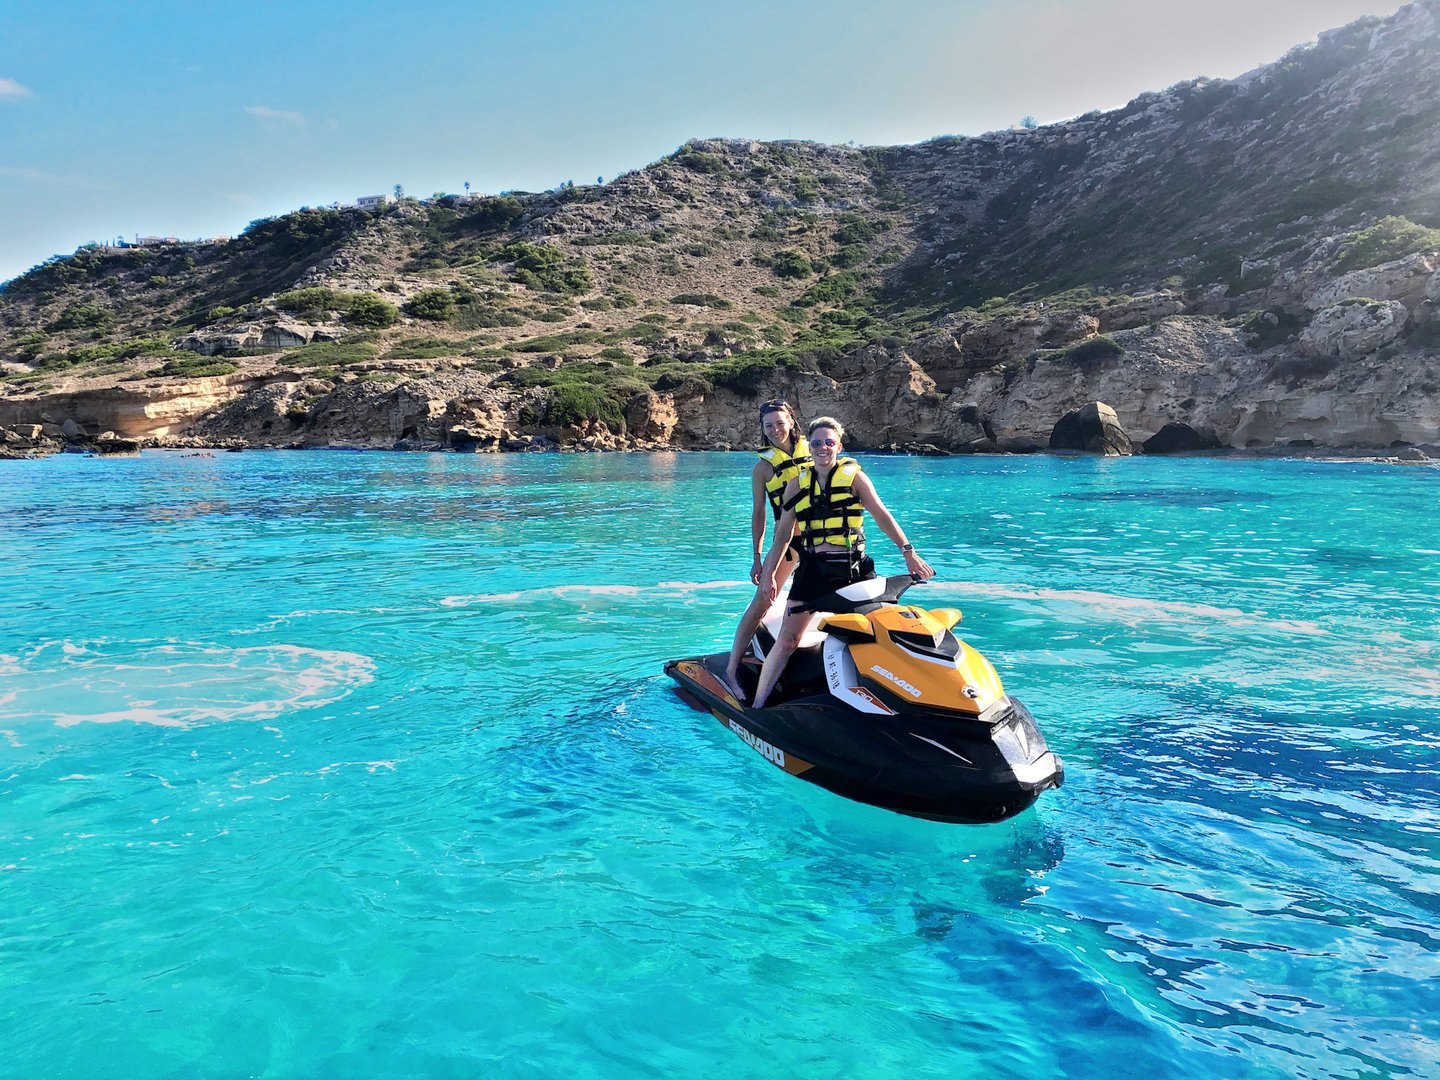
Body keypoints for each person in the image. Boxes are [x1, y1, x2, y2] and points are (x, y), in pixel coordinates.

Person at [750, 417, 934, 709]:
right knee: (787, 639)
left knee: (881, 632)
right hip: (813, 571)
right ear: (808, 447)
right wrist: (768, 574)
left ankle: (907, 696)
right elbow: (783, 536)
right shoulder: (797, 484)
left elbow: (882, 515)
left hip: (854, 570)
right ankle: (758, 706)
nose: (822, 448)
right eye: (816, 443)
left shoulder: (855, 478)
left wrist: (908, 551)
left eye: (828, 442)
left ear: (839, 445)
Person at [723, 399, 811, 697]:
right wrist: (758, 557)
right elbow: (759, 512)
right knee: (763, 601)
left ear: (792, 422)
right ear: (762, 430)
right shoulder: (762, 468)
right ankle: (731, 671)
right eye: (768, 425)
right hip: (786, 543)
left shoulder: (815, 451)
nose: (775, 430)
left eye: (780, 422)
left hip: (822, 540)